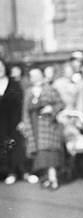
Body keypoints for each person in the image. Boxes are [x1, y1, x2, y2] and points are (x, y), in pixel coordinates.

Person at [22, 67, 65, 190]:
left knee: (48, 152)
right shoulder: (28, 91)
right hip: (34, 125)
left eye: (37, 75)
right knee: (39, 153)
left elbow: (60, 103)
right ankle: (47, 177)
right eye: (32, 76)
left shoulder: (50, 89)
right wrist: (25, 124)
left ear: (41, 75)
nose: (34, 78)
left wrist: (52, 109)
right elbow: (25, 110)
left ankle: (53, 179)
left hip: (47, 125)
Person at [0, 57, 37, 185]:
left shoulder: (14, 83)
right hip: (1, 123)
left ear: (5, 68)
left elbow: (22, 104)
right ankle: (11, 173)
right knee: (5, 147)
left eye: (1, 66)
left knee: (19, 147)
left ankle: (25, 173)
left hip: (15, 121)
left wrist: (22, 120)